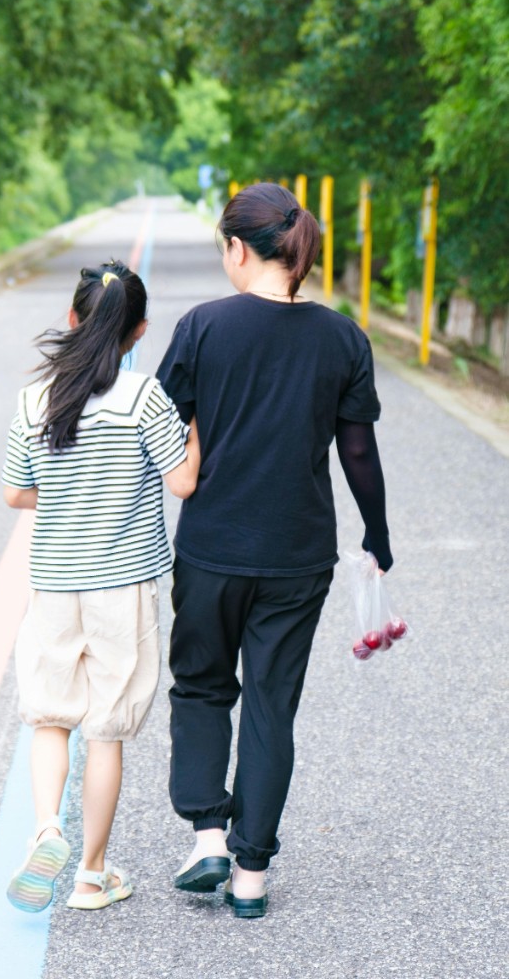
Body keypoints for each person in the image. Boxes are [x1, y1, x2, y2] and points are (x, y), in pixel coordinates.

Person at [157, 182, 393, 919]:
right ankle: (252, 876)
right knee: (270, 705)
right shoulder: (344, 338)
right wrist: (377, 536)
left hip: (212, 549)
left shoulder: (202, 327)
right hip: (298, 555)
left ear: (237, 249)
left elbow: (162, 428)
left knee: (201, 686)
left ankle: (207, 836)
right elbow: (358, 451)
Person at [2, 260, 200, 913]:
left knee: (51, 718)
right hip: (123, 588)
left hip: (55, 585)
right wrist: (194, 430)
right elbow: (182, 482)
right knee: (105, 730)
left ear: (71, 320)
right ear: (138, 331)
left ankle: (47, 830)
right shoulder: (144, 397)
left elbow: (15, 492)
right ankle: (90, 875)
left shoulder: (37, 398)